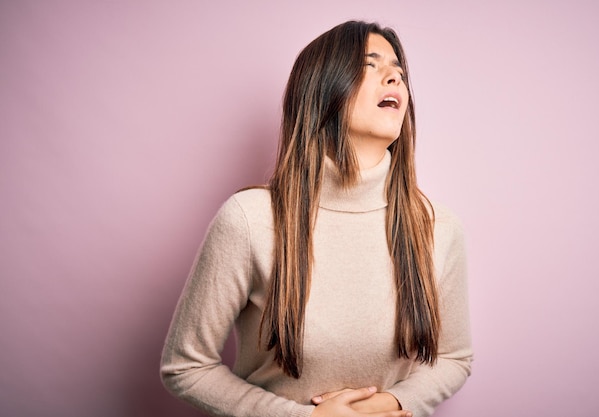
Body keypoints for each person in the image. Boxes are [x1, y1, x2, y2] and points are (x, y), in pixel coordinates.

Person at [160, 20, 472, 417]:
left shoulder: (438, 229)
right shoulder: (250, 221)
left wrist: (391, 403)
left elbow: (454, 358)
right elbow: (186, 367)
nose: (394, 75)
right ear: (322, 90)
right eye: (370, 65)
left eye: (399, 70)